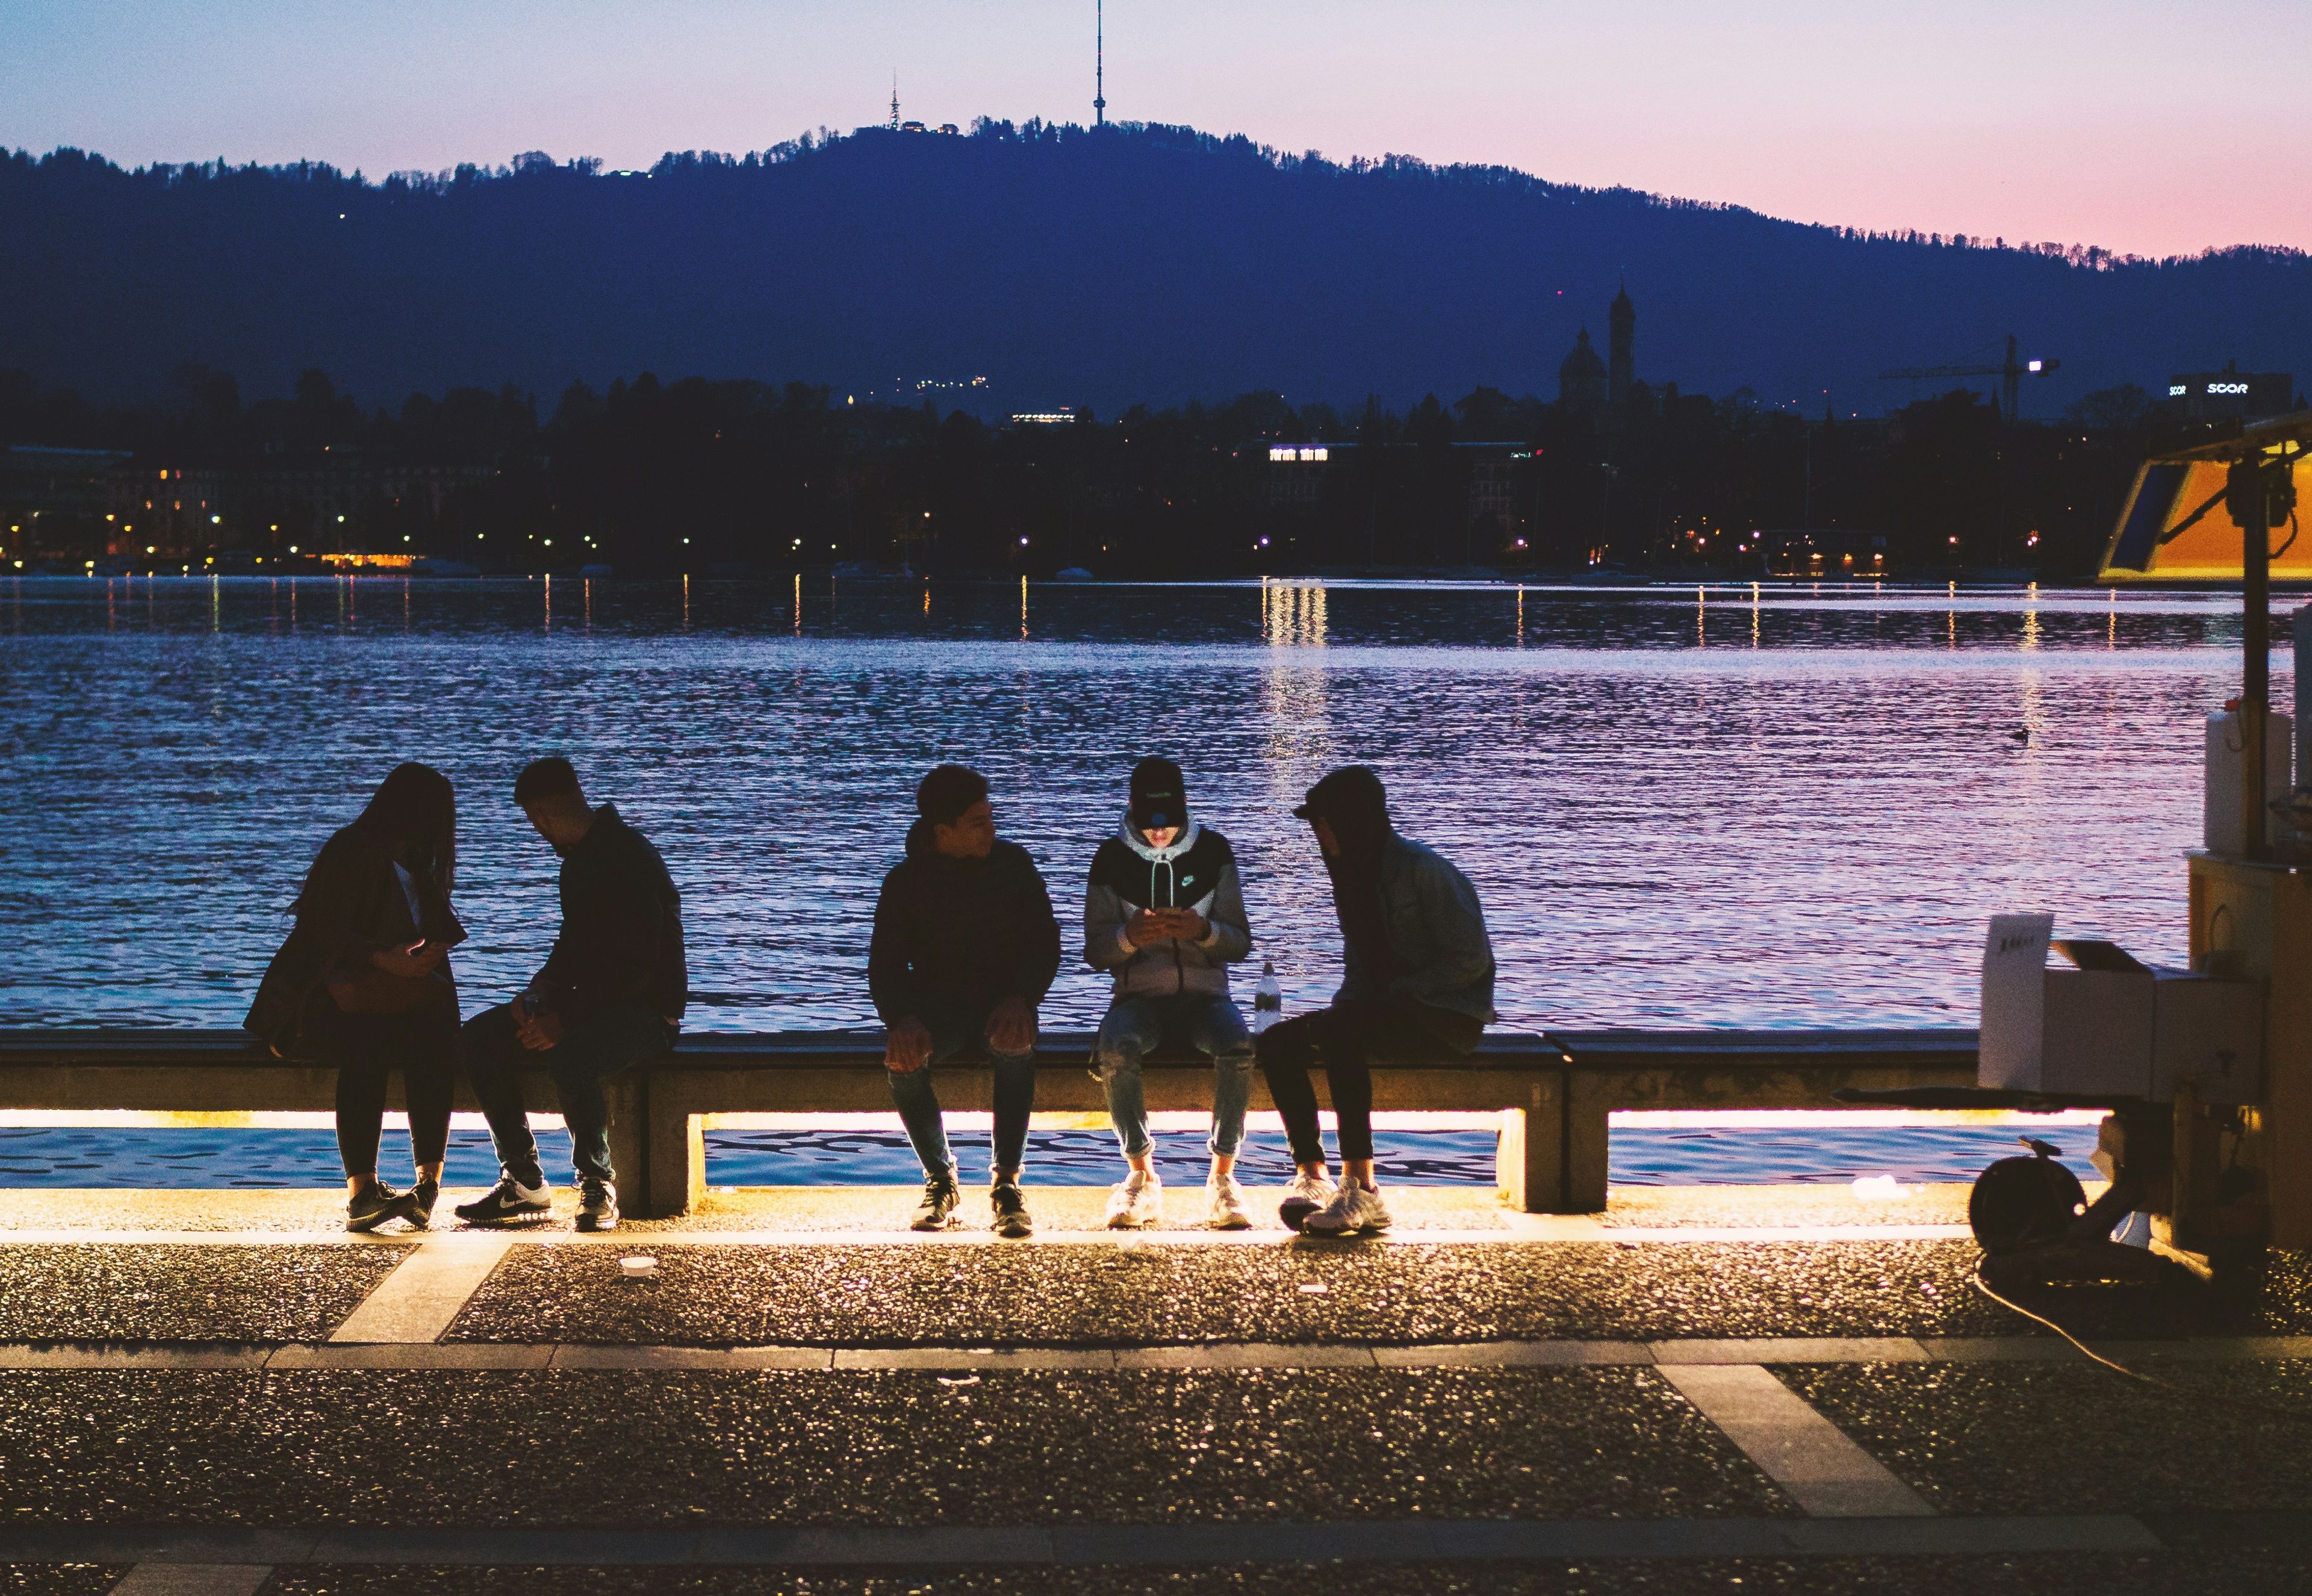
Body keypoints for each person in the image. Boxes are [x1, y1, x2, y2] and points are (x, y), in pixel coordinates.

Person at [1258, 765, 1495, 1236]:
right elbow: (1359, 967)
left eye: (1323, 821)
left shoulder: (1424, 871)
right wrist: (1346, 1010)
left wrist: (1399, 993)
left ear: (1351, 819)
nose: (1317, 832)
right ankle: (1313, 1175)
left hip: (1446, 1017)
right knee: (1277, 1042)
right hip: (1384, 1012)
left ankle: (1363, 1188)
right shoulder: (1351, 874)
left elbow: (1471, 961)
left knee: (1341, 1033)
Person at [455, 759, 686, 1233]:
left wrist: (566, 1017)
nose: (537, 832)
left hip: (648, 1013)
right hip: (588, 1004)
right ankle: (523, 1180)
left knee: (571, 1057)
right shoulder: (580, 862)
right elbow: (574, 944)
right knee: (479, 1038)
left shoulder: (630, 857)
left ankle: (598, 1183)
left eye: (534, 821)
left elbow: (639, 967)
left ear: (542, 815)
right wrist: (540, 989)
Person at [246, 763, 464, 1232]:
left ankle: (427, 1184)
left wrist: (428, 955)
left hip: (383, 1000)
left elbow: (432, 928)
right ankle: (361, 1190)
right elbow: (320, 935)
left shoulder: (413, 862)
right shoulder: (353, 852)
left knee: (436, 1042)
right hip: (316, 1008)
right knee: (370, 1043)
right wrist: (386, 960)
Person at [870, 764, 1061, 1238]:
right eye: (978, 823)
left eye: (990, 818)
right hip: (940, 1008)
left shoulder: (1013, 866)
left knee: (1015, 1041)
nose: (991, 831)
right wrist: (903, 1018)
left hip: (1004, 1000)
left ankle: (1007, 1181)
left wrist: (1023, 998)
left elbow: (1045, 941)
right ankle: (940, 1179)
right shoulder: (906, 882)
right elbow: (885, 964)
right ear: (943, 832)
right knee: (902, 1057)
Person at [1084, 757, 1256, 1229]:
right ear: (1133, 810)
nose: (1159, 834)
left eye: (1169, 824)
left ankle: (1222, 1176)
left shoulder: (1214, 852)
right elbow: (1096, 951)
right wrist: (1130, 937)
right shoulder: (1110, 861)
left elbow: (1240, 940)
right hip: (1138, 999)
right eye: (1149, 825)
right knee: (1116, 1047)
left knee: (1239, 1045)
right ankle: (1140, 1174)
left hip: (1207, 996)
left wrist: (1203, 931)